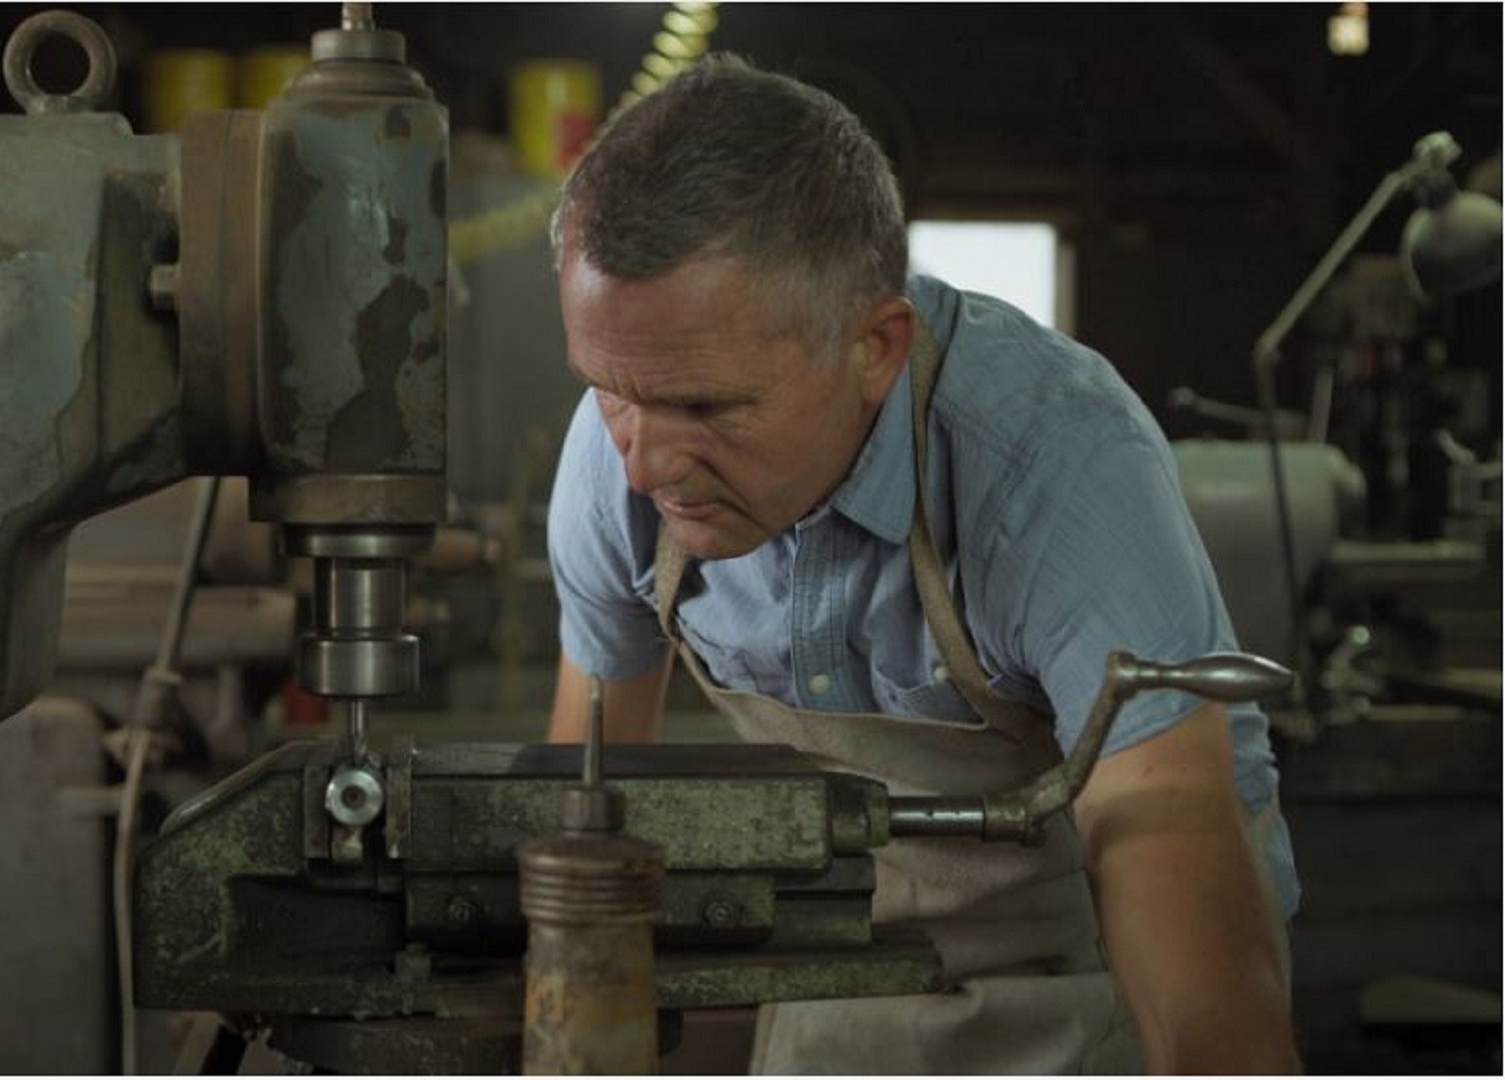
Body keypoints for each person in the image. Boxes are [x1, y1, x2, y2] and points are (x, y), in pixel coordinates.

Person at [542, 55, 1301, 1074]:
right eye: (609, 389)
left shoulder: (1056, 466)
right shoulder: (617, 459)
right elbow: (584, 806)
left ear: (876, 347)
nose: (647, 461)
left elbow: (1161, 837)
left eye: (710, 407)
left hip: (1095, 981)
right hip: (843, 977)